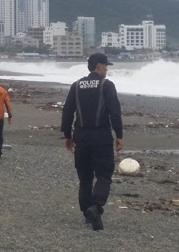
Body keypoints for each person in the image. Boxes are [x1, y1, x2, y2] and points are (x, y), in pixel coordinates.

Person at [61, 53, 123, 231]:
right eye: (106, 65)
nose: (107, 69)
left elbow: (67, 112)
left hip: (81, 137)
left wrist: (67, 135)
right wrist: (119, 135)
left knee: (85, 177)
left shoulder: (77, 86)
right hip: (101, 137)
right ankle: (96, 207)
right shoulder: (106, 85)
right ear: (99, 66)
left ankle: (87, 213)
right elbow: (115, 112)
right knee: (104, 174)